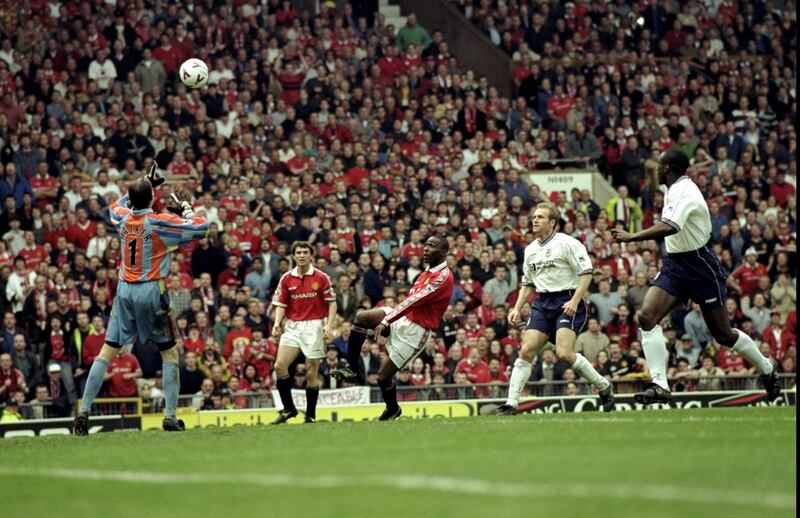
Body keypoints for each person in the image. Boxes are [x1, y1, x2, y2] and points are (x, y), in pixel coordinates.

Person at [611, 149, 780, 404]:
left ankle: (767, 369)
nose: (656, 168)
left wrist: (631, 237)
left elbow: (670, 226)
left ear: (667, 168)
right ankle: (660, 385)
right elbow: (657, 191)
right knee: (646, 316)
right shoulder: (672, 187)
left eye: (659, 165)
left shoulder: (685, 191)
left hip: (700, 264)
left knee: (723, 335)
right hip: (675, 263)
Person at [74, 164, 209, 435]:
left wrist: (145, 183)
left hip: (124, 289)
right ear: (152, 197)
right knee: (169, 352)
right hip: (151, 290)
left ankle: (84, 411)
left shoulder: (123, 218)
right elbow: (201, 228)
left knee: (108, 350)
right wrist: (186, 208)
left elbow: (115, 205)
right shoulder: (158, 222)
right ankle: (170, 416)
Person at [495, 202, 615, 415]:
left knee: (564, 353)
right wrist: (516, 308)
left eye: (540, 217)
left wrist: (575, 300)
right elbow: (527, 283)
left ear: (552, 222)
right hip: (542, 302)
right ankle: (511, 403)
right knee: (526, 349)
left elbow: (586, 273)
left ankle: (603, 385)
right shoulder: (530, 250)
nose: (535, 220)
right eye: (534, 217)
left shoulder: (568, 243)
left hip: (567, 300)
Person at [332, 235, 454, 420]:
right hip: (403, 318)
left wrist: (386, 320)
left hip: (416, 332)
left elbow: (414, 300)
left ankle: (393, 409)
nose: (426, 249)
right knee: (362, 318)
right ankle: (351, 369)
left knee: (382, 377)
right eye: (426, 244)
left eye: (432, 246)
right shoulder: (427, 271)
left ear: (444, 252)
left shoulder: (443, 277)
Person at [269, 241, 337, 424]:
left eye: (305, 252)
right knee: (279, 366)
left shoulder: (321, 277)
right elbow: (280, 304)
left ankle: (311, 415)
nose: (301, 255)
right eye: (298, 252)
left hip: (314, 326)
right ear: (293, 256)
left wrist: (329, 325)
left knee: (311, 372)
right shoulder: (286, 278)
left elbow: (332, 302)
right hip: (292, 326)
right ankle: (289, 409)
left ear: (311, 256)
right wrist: (277, 323)